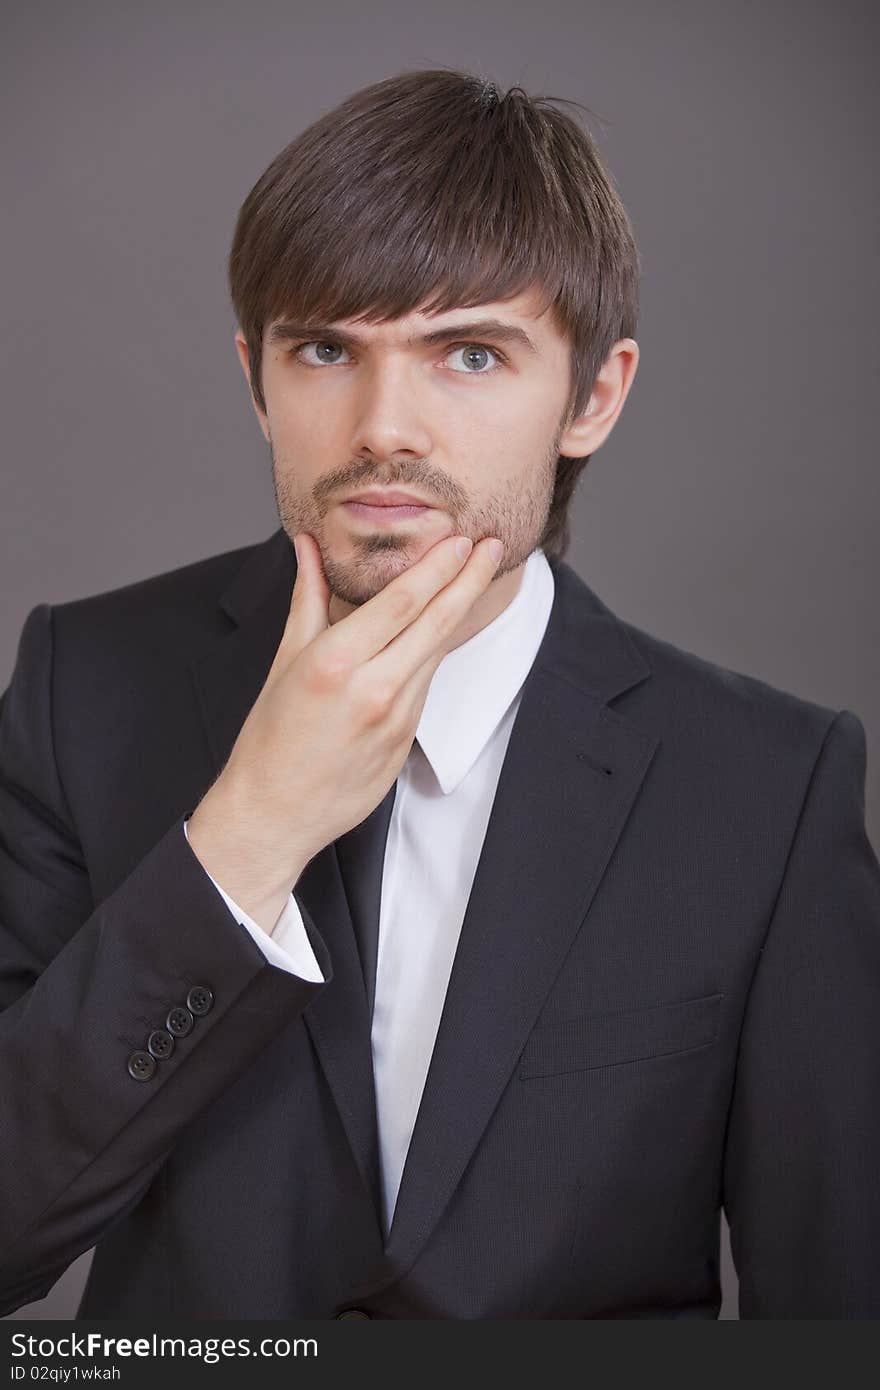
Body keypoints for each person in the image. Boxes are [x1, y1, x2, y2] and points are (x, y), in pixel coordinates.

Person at [1, 67, 878, 1322]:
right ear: (257, 379)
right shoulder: (80, 689)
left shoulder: (766, 785)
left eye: (469, 352)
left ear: (594, 396)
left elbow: (841, 1320)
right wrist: (247, 834)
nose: (384, 427)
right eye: (325, 349)